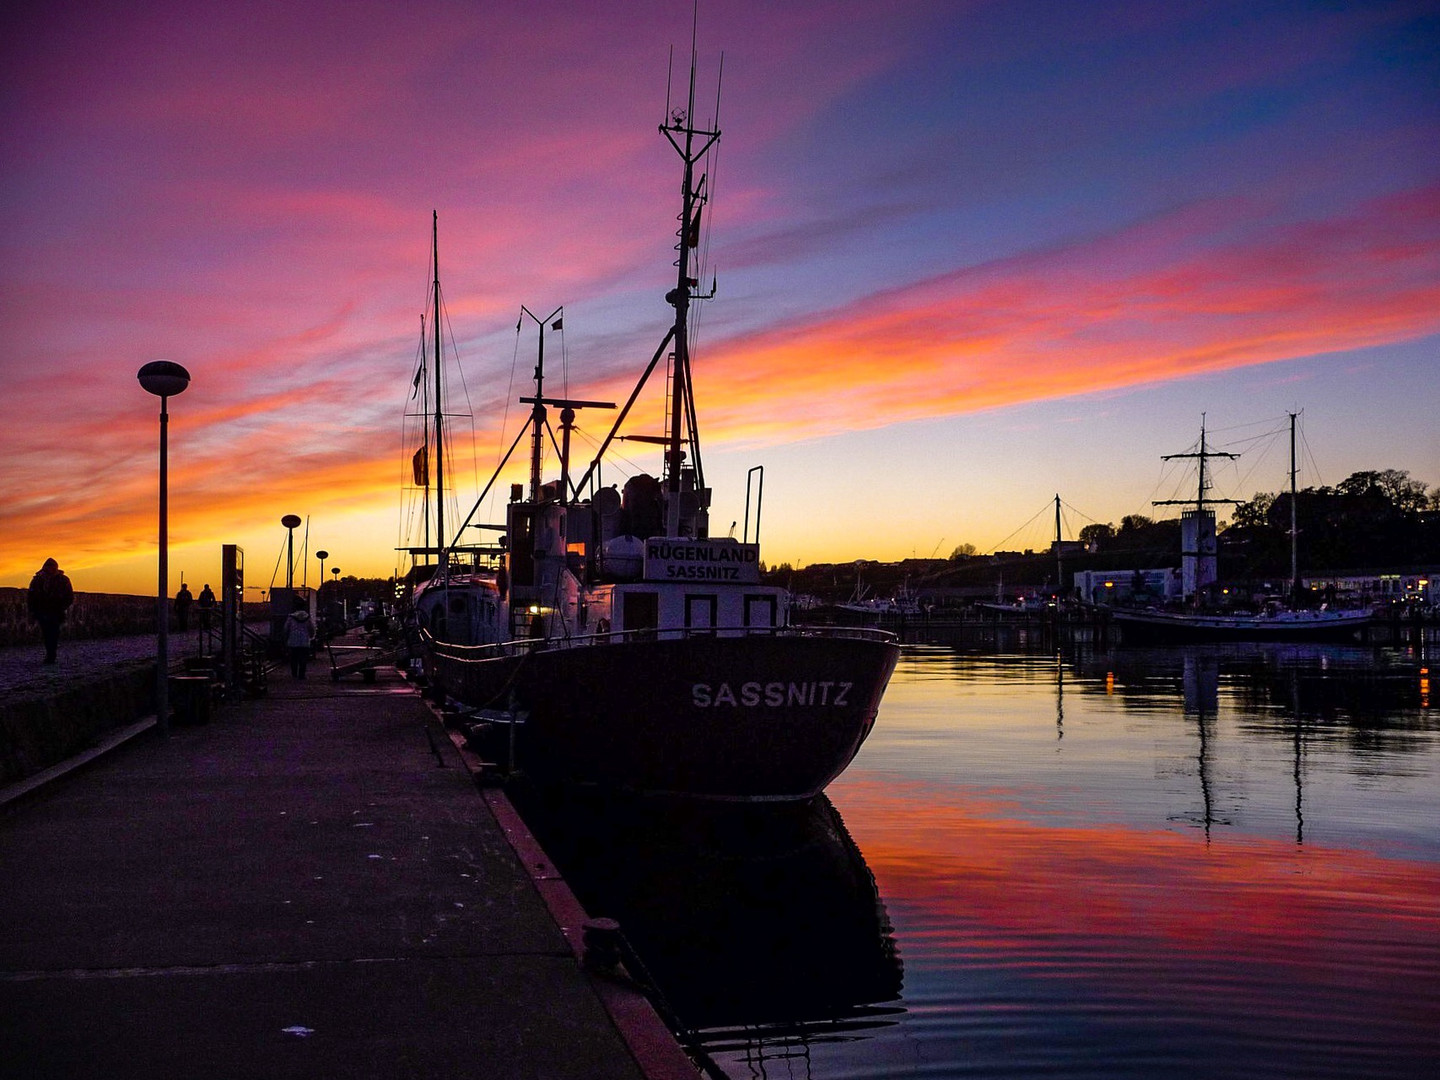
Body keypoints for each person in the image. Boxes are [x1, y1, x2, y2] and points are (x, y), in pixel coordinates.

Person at [27, 557, 75, 664]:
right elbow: (31, 596)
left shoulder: (63, 580)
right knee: (46, 633)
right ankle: (50, 653)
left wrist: (61, 607)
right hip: (42, 612)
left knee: (53, 633)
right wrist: (33, 610)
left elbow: (69, 597)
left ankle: (51, 654)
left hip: (55, 612)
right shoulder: (38, 580)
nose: (49, 569)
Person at [283, 606, 314, 679]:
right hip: (304, 642)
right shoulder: (307, 617)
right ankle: (302, 675)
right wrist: (311, 636)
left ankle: (294, 674)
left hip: (293, 641)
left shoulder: (291, 617)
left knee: (294, 659)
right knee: (303, 659)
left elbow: (286, 629)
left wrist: (286, 638)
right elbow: (311, 629)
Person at [195, 583, 217, 654]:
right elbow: (200, 599)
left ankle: (207, 626)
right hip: (204, 607)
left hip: (208, 607)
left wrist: (212, 605)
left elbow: (213, 599)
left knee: (208, 618)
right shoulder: (203, 593)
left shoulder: (210, 593)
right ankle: (205, 626)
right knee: (204, 618)